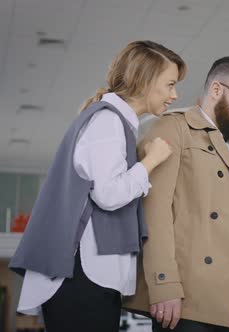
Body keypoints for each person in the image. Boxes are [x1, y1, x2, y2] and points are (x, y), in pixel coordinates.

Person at [9, 40, 186, 332]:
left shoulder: (114, 122)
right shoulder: (107, 122)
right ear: (144, 81)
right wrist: (151, 161)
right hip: (82, 274)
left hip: (86, 275)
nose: (174, 95)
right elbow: (108, 194)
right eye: (169, 85)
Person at [124, 56, 229, 332]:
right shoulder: (175, 128)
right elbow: (153, 213)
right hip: (189, 292)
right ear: (216, 90)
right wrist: (163, 282)